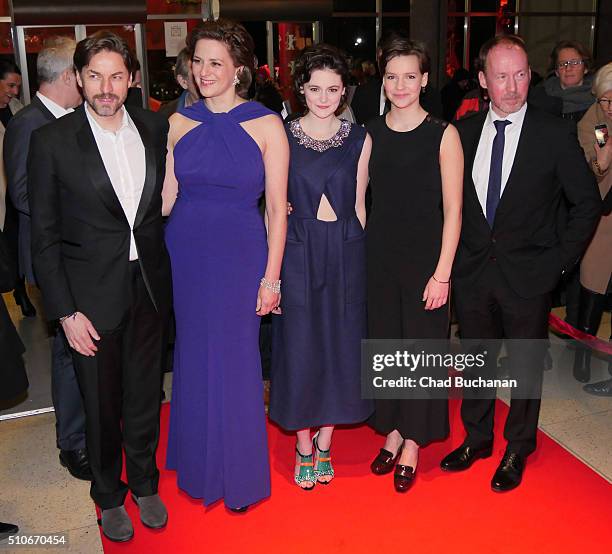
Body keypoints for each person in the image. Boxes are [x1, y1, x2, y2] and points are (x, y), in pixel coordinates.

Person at [439, 35, 601, 492]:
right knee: (475, 361)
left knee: (527, 366)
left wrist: (559, 265)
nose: (513, 86)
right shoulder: (462, 134)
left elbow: (586, 203)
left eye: (521, 74)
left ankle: (518, 447)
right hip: (473, 273)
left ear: (531, 75)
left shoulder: (553, 133)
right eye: (502, 76)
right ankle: (477, 439)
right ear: (484, 81)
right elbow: (444, 205)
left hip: (530, 275)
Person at [28, 32, 172, 542]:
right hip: (89, 298)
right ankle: (108, 494)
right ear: (78, 79)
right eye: (94, 76)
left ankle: (146, 483)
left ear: (132, 79)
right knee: (100, 402)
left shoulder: (156, 128)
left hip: (149, 287)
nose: (105, 87)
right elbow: (43, 238)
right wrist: (65, 312)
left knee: (143, 397)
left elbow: (164, 208)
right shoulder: (51, 141)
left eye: (116, 76)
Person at [162, 19, 288, 512]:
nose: (204, 71)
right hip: (186, 253)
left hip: (240, 254)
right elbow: (168, 197)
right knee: (192, 354)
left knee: (237, 361)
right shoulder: (177, 123)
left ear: (239, 70)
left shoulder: (266, 123)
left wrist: (271, 277)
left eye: (216, 63)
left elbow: (277, 208)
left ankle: (236, 473)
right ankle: (196, 463)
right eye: (198, 61)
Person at [269, 44, 373, 490]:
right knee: (301, 346)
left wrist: (359, 254)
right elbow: (271, 204)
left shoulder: (360, 138)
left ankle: (327, 441)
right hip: (297, 250)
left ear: (345, 90)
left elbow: (362, 204)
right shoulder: (282, 134)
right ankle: (304, 444)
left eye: (333, 89)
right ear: (302, 90)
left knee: (341, 346)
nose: (325, 97)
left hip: (346, 249)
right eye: (315, 88)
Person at [366, 36, 463, 493]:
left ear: (424, 80)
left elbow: (454, 210)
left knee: (421, 353)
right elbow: (358, 199)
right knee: (388, 349)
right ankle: (393, 428)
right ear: (382, 82)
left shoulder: (443, 134)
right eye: (391, 77)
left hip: (426, 265)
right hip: (381, 262)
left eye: (409, 76)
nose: (400, 85)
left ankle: (414, 441)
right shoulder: (370, 132)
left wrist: (442, 272)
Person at [3, 38, 90, 481]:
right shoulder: (29, 125)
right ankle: (71, 443)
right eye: (84, 73)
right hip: (51, 255)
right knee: (64, 350)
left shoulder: (73, 119)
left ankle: (85, 429)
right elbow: (21, 194)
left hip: (79, 255)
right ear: (67, 76)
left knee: (80, 347)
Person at [574, 62, 612, 394]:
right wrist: (605, 157)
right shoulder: (594, 122)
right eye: (606, 100)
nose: (611, 107)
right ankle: (582, 354)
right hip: (602, 217)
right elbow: (596, 170)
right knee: (593, 288)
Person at [0, 60, 33, 318]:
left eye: (17, 87)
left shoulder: (17, 110)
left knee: (15, 245)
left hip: (16, 193)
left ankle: (20, 288)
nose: (13, 91)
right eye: (10, 85)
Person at [540, 40, 596, 122]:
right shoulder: (542, 98)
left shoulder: (599, 98)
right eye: (562, 64)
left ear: (586, 68)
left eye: (575, 63)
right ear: (556, 71)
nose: (568, 68)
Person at [158, 48, 200, 119]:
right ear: (183, 81)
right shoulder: (166, 116)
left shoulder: (223, 111)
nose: (205, 79)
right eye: (196, 75)